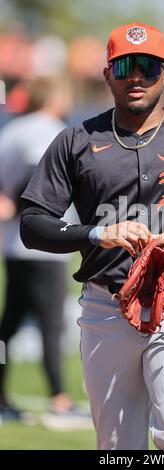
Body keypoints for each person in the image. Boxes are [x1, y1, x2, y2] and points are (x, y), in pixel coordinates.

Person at [20, 23, 164, 450]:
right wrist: (96, 233)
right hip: (105, 305)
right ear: (107, 74)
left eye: (147, 66)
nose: (136, 76)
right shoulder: (75, 141)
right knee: (118, 446)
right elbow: (33, 224)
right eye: (125, 66)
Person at [0, 76, 92, 429]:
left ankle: (2, 397)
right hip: (44, 243)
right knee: (51, 326)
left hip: (13, 244)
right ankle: (59, 401)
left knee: (7, 328)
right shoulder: (48, 129)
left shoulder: (12, 129)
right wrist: (21, 204)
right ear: (53, 96)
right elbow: (34, 171)